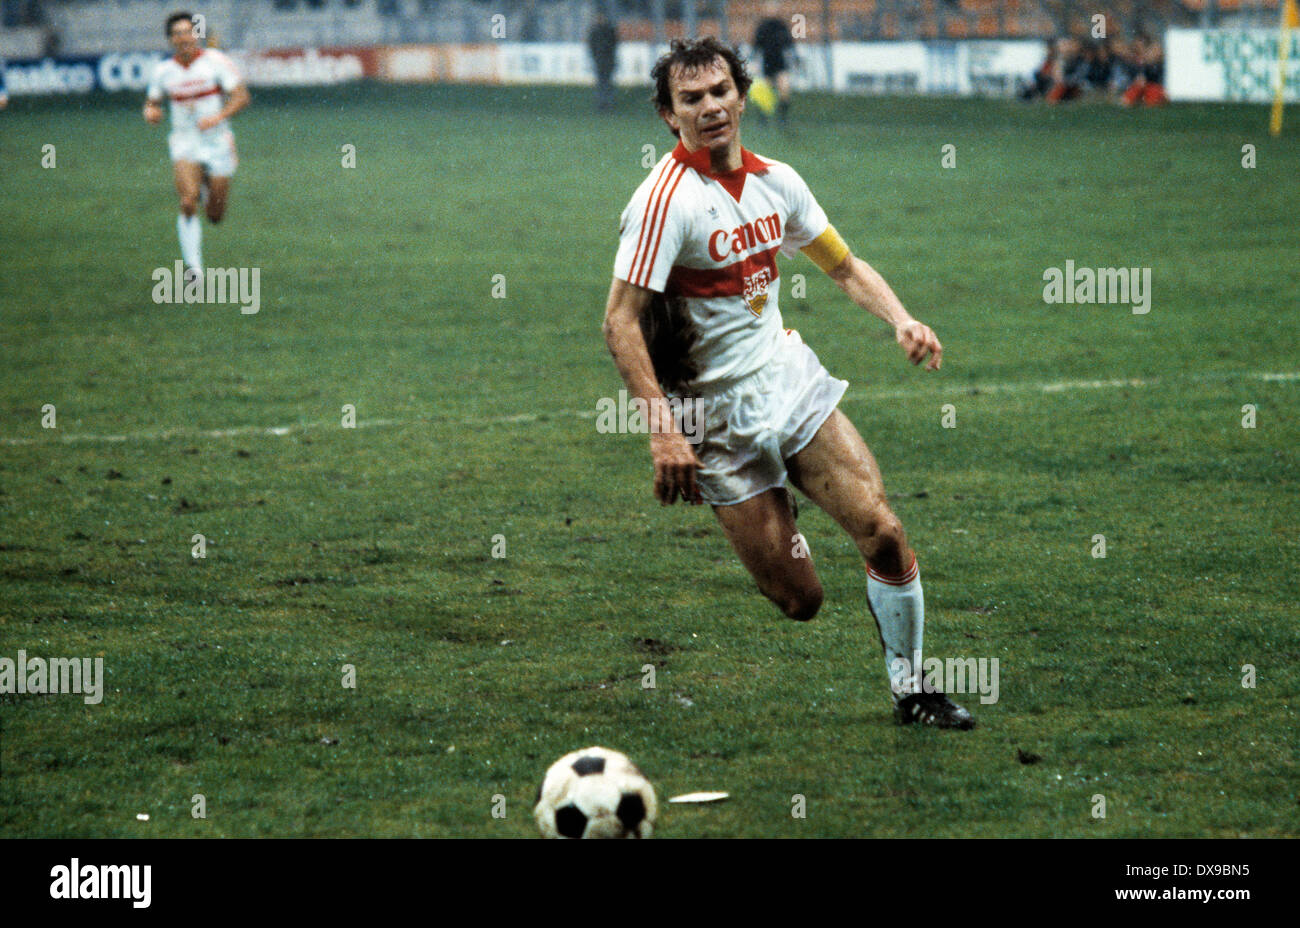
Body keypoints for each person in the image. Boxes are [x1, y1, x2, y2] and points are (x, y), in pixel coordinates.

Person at [601, 38, 975, 729]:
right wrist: (663, 433)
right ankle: (774, 507)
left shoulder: (779, 180)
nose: (710, 107)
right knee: (800, 601)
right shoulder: (664, 202)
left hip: (786, 382)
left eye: (720, 92)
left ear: (741, 97)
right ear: (667, 115)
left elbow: (842, 264)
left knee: (885, 532)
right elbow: (619, 323)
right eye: (692, 99)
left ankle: (913, 689)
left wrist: (901, 318)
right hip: (712, 418)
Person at [143, 12, 249, 276]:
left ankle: (205, 187)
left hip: (216, 142)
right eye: (177, 33)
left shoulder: (216, 62)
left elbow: (241, 97)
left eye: (188, 32)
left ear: (197, 35)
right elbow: (152, 103)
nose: (183, 38)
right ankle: (194, 270)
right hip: (185, 142)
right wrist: (151, 113)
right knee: (188, 202)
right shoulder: (163, 71)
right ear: (170, 39)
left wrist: (218, 117)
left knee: (214, 215)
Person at [753, 2, 795, 125]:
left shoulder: (782, 26)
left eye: (774, 8)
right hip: (767, 63)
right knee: (766, 92)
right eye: (769, 8)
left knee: (785, 89)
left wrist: (794, 58)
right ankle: (763, 119)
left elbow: (789, 45)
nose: (771, 10)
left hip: (780, 62)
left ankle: (782, 119)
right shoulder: (762, 26)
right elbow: (756, 47)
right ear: (765, 10)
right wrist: (754, 62)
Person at [587, 10, 618, 112]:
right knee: (601, 82)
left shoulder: (608, 30)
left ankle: (607, 103)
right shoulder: (596, 31)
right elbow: (591, 45)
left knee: (607, 82)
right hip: (600, 60)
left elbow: (614, 44)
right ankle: (602, 103)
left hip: (607, 59)